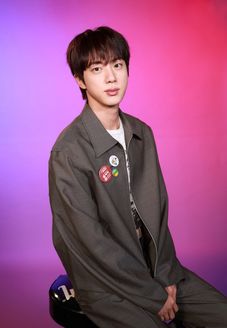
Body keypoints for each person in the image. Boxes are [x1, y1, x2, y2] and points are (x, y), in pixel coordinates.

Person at [48, 26, 227, 328]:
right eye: (97, 68)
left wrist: (167, 275)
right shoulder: (68, 152)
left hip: (154, 269)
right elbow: (91, 243)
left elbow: (158, 213)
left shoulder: (141, 133)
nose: (111, 77)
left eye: (117, 65)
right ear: (80, 79)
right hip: (105, 283)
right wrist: (153, 296)